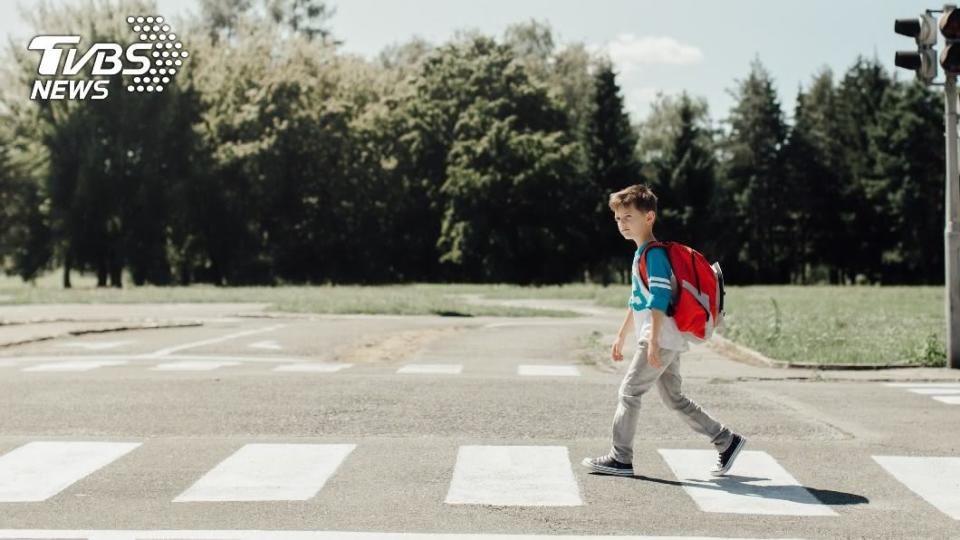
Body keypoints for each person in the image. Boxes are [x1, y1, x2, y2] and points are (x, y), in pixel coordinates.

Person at [581, 183, 746, 477]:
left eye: (628, 217)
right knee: (673, 397)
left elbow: (658, 299)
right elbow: (637, 301)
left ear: (649, 217)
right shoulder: (641, 254)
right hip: (664, 338)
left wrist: (653, 341)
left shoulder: (654, 255)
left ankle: (621, 458)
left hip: (661, 338)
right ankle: (727, 441)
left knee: (629, 392)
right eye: (618, 219)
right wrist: (621, 334)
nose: (622, 224)